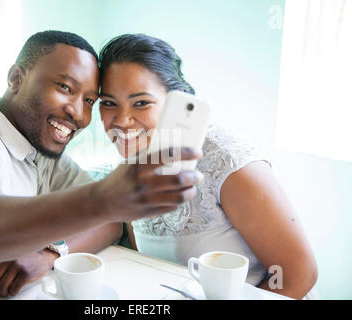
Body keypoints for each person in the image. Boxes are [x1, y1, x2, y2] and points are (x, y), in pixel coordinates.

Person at [0, 31, 203, 299]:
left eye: (89, 101)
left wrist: (50, 253)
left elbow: (111, 222)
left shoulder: (42, 150)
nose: (79, 114)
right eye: (65, 87)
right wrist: (102, 198)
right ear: (16, 79)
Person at [97, 33, 319, 299]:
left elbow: (297, 276)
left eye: (141, 103)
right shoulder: (127, 170)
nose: (121, 120)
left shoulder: (226, 161)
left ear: (175, 101)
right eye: (109, 103)